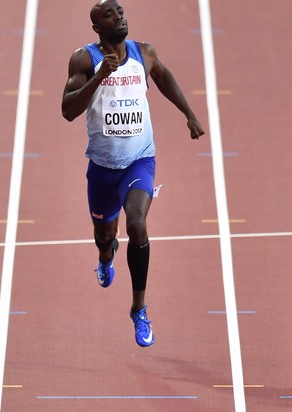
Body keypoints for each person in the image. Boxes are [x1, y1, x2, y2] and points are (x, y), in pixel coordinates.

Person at [61, 0, 205, 347]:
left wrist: (189, 113)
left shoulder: (144, 53)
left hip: (140, 160)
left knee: (137, 224)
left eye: (121, 11)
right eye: (110, 14)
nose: (119, 16)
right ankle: (104, 255)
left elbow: (164, 76)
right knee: (104, 233)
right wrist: (99, 77)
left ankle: (139, 308)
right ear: (97, 27)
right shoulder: (84, 59)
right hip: (102, 168)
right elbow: (67, 110)